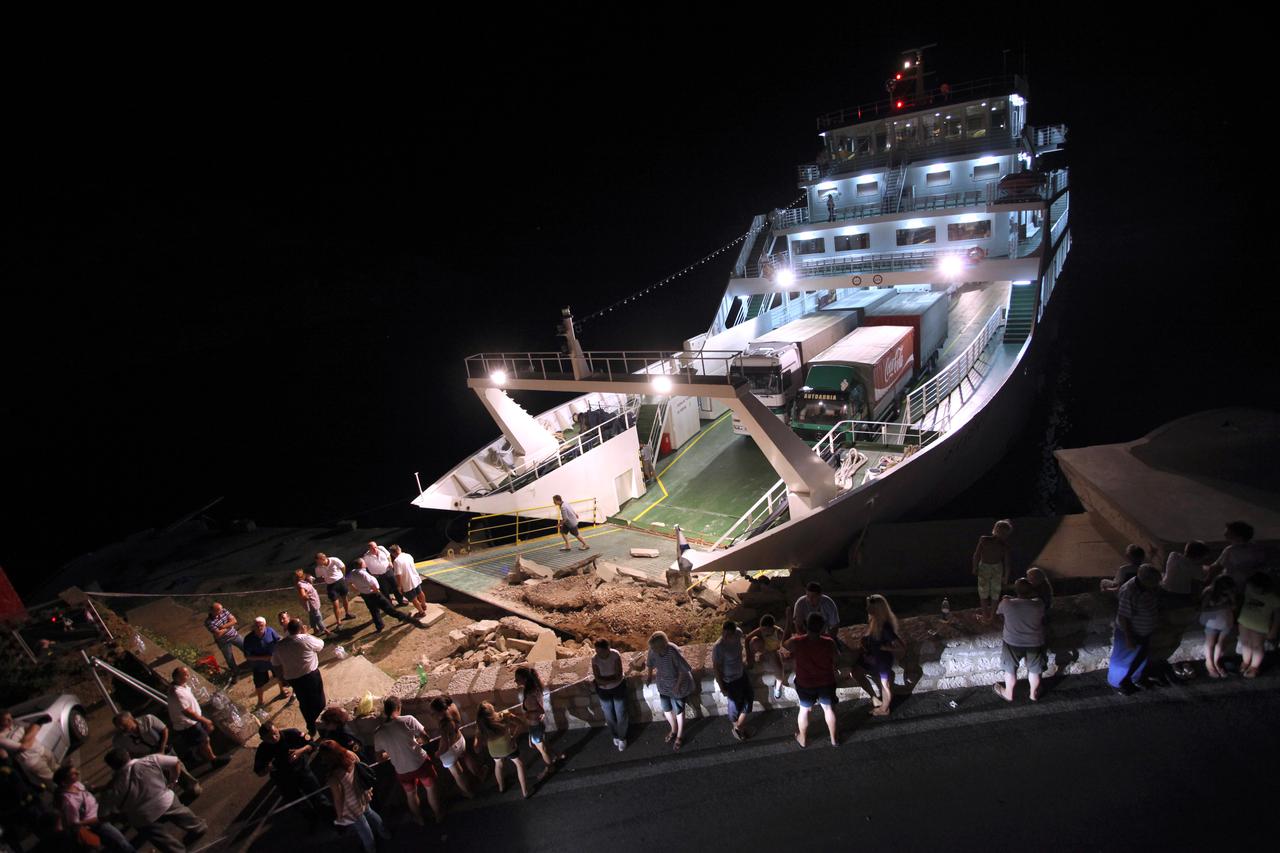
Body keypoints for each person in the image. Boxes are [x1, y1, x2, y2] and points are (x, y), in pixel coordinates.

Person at [102, 748, 206, 853]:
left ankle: (175, 850)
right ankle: (198, 827)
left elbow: (105, 812)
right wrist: (174, 780)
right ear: (128, 755)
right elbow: (175, 761)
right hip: (165, 800)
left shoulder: (112, 787)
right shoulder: (150, 760)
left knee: (158, 836)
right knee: (181, 812)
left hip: (143, 816)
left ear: (113, 767)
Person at [373, 696, 442, 824]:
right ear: (398, 708)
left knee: (410, 794)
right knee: (431, 789)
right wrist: (417, 742)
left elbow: (379, 758)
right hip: (420, 763)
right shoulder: (408, 720)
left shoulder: (378, 733)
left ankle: (419, 819)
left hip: (402, 770)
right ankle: (438, 815)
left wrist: (392, 752)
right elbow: (426, 738)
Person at [317, 740, 390, 853]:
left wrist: (340, 814)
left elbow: (338, 798)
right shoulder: (350, 754)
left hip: (351, 805)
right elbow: (361, 767)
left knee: (363, 828)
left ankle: (371, 848)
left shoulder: (334, 777)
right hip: (362, 793)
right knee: (369, 812)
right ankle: (384, 832)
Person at [784, 612, 839, 747]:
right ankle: (834, 740)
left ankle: (802, 739)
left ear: (805, 626)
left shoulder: (797, 642)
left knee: (805, 710)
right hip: (826, 681)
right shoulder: (829, 642)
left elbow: (783, 644)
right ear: (822, 627)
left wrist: (788, 621)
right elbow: (836, 660)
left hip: (805, 683)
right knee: (828, 709)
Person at [110, 712, 200, 796]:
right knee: (164, 775)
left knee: (178, 768)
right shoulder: (119, 739)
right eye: (119, 727)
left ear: (132, 719)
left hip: (162, 749)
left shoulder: (148, 720)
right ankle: (181, 789)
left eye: (124, 725)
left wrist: (161, 749)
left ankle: (192, 785)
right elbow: (124, 753)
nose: (122, 728)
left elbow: (164, 730)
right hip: (147, 758)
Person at [54, 766, 135, 853]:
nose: (78, 773)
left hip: (101, 811)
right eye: (73, 774)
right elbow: (75, 823)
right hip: (97, 823)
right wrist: (99, 819)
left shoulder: (76, 784)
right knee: (122, 843)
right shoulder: (69, 802)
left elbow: (89, 791)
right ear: (64, 782)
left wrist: (106, 786)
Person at [254, 723, 328, 819]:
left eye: (275, 733)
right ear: (262, 739)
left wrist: (300, 751)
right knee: (299, 804)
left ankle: (328, 816)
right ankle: (312, 819)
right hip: (284, 781)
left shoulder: (292, 734)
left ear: (277, 728)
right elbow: (259, 772)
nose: (274, 738)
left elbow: (312, 744)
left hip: (302, 772)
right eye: (269, 738)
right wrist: (268, 768)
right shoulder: (262, 750)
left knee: (317, 796)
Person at [1108, 564, 1161, 695]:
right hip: (1131, 633)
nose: (1156, 584)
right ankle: (1117, 684)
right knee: (1122, 661)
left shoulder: (1147, 587)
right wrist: (1129, 638)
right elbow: (1124, 617)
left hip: (1144, 632)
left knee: (1140, 657)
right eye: (1154, 582)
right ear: (1145, 580)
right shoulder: (1129, 591)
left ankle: (1136, 678)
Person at [270, 619, 327, 736]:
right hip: (311, 676)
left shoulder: (280, 645)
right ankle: (323, 726)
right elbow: (321, 644)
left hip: (294, 679)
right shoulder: (305, 639)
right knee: (318, 701)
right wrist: (305, 633)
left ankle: (311, 727)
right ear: (301, 629)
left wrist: (281, 678)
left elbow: (275, 663)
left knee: (304, 702)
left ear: (288, 630)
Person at [994, 579, 1047, 702]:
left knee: (1010, 669)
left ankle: (1008, 693)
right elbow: (1028, 602)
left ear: (1016, 591)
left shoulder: (1007, 603)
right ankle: (1033, 694)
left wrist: (1007, 598)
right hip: (1034, 642)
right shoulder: (1039, 604)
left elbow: (999, 611)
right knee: (1034, 670)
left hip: (1012, 642)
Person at [166, 667, 228, 770]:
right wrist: (205, 720)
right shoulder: (177, 692)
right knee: (204, 740)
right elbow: (187, 712)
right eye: (185, 675)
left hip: (191, 722)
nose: (188, 676)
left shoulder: (181, 687)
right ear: (178, 678)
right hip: (188, 724)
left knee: (202, 740)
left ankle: (201, 755)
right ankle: (213, 760)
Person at [853, 595, 905, 715]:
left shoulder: (885, 627)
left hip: (882, 661)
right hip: (871, 658)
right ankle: (874, 697)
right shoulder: (874, 621)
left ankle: (885, 709)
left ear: (877, 609)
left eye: (869, 607)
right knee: (856, 671)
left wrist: (884, 647)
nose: (867, 608)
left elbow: (901, 646)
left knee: (885, 685)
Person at [644, 631, 695, 751]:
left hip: (677, 684)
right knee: (666, 708)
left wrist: (677, 685)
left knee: (678, 709)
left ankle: (679, 735)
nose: (652, 650)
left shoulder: (672, 651)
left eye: (654, 648)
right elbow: (650, 664)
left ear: (661, 646)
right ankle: (673, 729)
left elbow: (684, 669)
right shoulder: (653, 651)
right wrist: (649, 677)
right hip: (663, 685)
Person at [513, 667, 564, 777]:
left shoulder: (530, 694)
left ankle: (550, 767)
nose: (516, 682)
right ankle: (557, 755)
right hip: (537, 725)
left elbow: (538, 710)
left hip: (535, 725)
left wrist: (526, 715)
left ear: (524, 679)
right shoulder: (535, 688)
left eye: (517, 679)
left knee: (542, 750)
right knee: (543, 743)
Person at [474, 701, 530, 798]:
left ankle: (501, 787)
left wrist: (478, 738)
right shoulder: (504, 715)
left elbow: (476, 748)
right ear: (491, 710)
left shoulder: (481, 725)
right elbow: (521, 724)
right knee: (519, 764)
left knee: (498, 765)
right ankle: (525, 792)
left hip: (494, 751)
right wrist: (514, 737)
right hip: (508, 746)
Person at [347, 559, 419, 633]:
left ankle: (379, 626)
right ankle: (404, 618)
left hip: (364, 595)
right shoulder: (365, 575)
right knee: (390, 609)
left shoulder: (352, 573)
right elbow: (374, 585)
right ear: (362, 565)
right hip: (374, 594)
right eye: (364, 562)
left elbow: (348, 582)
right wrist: (376, 591)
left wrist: (357, 589)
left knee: (373, 610)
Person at [427, 696, 478, 798]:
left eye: (433, 712)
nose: (432, 714)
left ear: (440, 711)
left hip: (450, 751)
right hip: (460, 740)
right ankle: (479, 774)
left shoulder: (444, 724)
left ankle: (469, 793)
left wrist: (438, 753)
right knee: (466, 755)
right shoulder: (453, 706)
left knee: (458, 774)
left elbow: (445, 745)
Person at [713, 621, 753, 741]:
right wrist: (721, 686)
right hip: (730, 680)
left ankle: (739, 726)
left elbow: (747, 640)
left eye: (729, 634)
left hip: (741, 674)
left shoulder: (738, 633)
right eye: (724, 633)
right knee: (735, 705)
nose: (725, 636)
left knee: (749, 698)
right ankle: (738, 727)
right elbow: (716, 668)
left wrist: (748, 658)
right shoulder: (719, 647)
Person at [242, 616, 293, 709]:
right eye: (257, 626)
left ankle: (282, 691)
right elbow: (247, 656)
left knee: (278, 676)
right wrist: (263, 658)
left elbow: (278, 639)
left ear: (265, 625)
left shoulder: (270, 631)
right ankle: (260, 701)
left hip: (274, 661)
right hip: (259, 666)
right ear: (253, 627)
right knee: (259, 683)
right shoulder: (248, 639)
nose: (259, 628)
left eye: (261, 625)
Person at [0, 708, 61, 786]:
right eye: (6, 720)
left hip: (42, 750)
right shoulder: (1, 738)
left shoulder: (15, 723)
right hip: (33, 761)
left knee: (60, 770)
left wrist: (27, 737)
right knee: (52, 781)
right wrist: (30, 734)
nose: (10, 720)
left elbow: (33, 727)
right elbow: (24, 747)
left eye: (10, 717)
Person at [1237, 572, 1280, 678]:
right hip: (1244, 622)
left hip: (1260, 627)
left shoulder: (1273, 599)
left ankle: (1254, 666)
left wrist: (1274, 630)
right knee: (1245, 643)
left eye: (1255, 587)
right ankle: (1245, 662)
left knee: (1257, 646)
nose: (1252, 589)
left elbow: (1277, 616)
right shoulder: (1249, 589)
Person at [591, 639, 629, 750]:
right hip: (603, 691)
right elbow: (598, 678)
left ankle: (622, 738)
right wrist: (608, 680)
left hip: (618, 688)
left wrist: (604, 681)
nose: (599, 654)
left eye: (601, 652)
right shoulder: (595, 659)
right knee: (609, 715)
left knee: (621, 713)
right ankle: (615, 735)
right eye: (597, 652)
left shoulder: (615, 655)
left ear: (608, 649)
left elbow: (618, 675)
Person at [972, 520, 1013, 621]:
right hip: (989, 568)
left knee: (990, 592)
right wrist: (975, 566)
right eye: (1002, 532)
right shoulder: (985, 540)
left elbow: (1007, 563)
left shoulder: (1003, 545)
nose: (1003, 535)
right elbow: (977, 554)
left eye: (1004, 533)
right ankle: (988, 615)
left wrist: (1006, 577)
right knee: (987, 592)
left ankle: (989, 615)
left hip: (993, 568)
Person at [1198, 575, 1237, 679]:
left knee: (1220, 643)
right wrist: (1222, 606)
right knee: (1210, 643)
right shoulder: (1209, 592)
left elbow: (1234, 606)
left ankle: (1216, 662)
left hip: (1226, 622)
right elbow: (1202, 609)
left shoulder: (1230, 593)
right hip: (1211, 622)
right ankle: (1209, 664)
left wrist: (1231, 597)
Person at [1208, 521, 1266, 589]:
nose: (1225, 534)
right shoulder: (1256, 549)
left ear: (1239, 537)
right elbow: (1261, 564)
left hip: (1231, 583)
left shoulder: (1230, 550)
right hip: (1249, 584)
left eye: (1229, 533)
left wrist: (1208, 577)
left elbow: (1217, 566)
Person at [746, 614, 790, 699]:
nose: (764, 631)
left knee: (779, 669)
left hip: (774, 651)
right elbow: (748, 638)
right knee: (754, 641)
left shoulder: (779, 633)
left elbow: (785, 646)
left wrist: (783, 653)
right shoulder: (761, 630)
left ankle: (777, 686)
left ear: (771, 628)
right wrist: (749, 657)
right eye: (762, 629)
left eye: (766, 630)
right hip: (764, 650)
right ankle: (753, 663)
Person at [203, 603, 243, 682]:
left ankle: (254, 662)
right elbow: (218, 634)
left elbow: (234, 620)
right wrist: (229, 626)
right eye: (218, 610)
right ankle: (236, 672)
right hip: (223, 641)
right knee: (229, 658)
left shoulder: (224, 611)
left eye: (221, 609)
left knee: (247, 648)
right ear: (212, 611)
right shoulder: (208, 622)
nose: (221, 611)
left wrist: (223, 627)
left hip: (234, 635)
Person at [314, 552, 354, 627]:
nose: (317, 563)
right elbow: (319, 577)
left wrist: (343, 576)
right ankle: (338, 621)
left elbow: (343, 567)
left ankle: (347, 613)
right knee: (335, 604)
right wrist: (325, 579)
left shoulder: (334, 560)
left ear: (323, 559)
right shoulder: (318, 568)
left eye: (318, 561)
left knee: (345, 598)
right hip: (331, 586)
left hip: (340, 581)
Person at [390, 545, 427, 618]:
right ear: (399, 549)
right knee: (420, 592)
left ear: (393, 553)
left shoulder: (397, 561)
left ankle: (421, 612)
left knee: (413, 599)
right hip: (415, 578)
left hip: (407, 582)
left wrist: (399, 586)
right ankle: (424, 605)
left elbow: (398, 575)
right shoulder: (408, 555)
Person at [362, 541, 403, 606]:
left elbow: (388, 555)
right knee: (384, 590)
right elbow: (364, 567)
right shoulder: (366, 557)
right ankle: (389, 604)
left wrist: (390, 562)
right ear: (369, 549)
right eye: (372, 548)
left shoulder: (381, 548)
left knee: (395, 586)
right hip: (379, 576)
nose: (375, 549)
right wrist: (371, 575)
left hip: (388, 571)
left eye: (375, 547)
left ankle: (401, 601)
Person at [294, 571, 328, 636]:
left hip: (313, 603)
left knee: (312, 616)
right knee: (318, 617)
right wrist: (307, 597)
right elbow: (303, 595)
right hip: (312, 604)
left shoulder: (304, 581)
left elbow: (312, 581)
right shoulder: (300, 584)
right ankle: (326, 631)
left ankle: (315, 629)